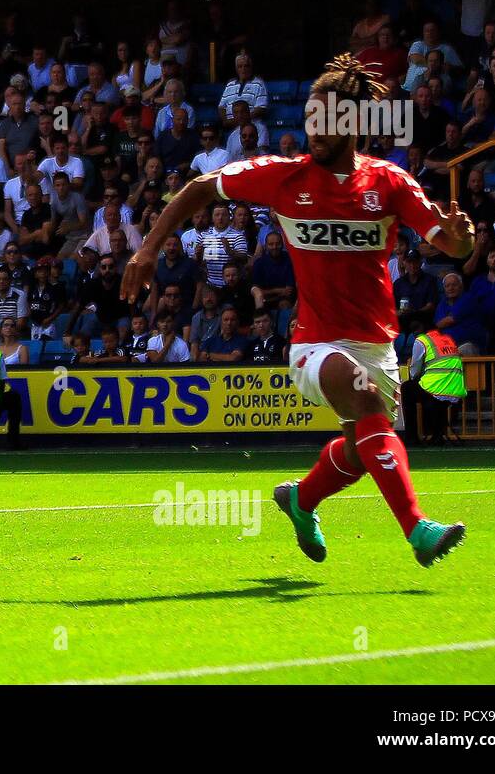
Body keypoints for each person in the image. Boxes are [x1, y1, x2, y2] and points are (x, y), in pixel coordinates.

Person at [124, 53, 474, 568]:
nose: (315, 130)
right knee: (362, 400)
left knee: (359, 453)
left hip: (375, 341)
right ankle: (419, 530)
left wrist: (462, 243)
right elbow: (199, 189)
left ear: (353, 124)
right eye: (311, 118)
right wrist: (149, 248)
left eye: (328, 120)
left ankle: (300, 499)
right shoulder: (283, 177)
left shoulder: (389, 183)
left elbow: (448, 241)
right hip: (315, 343)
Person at [401, 328, 466, 446]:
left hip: (436, 389)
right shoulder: (448, 339)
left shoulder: (422, 341)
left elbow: (415, 371)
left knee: (406, 388)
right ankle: (437, 435)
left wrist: (416, 375)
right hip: (456, 391)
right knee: (432, 397)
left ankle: (412, 438)